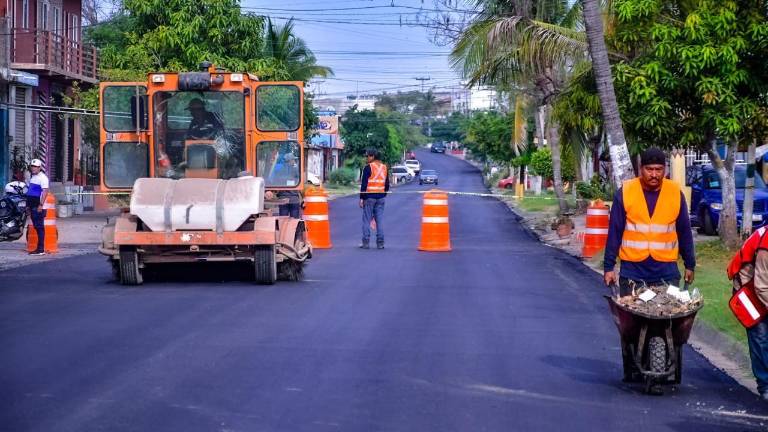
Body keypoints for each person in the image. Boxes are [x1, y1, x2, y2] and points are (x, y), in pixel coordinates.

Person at [603, 148, 696, 388]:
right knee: (630, 323)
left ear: (665, 169)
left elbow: (684, 231)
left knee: (670, 318)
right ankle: (631, 365)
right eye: (649, 169)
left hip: (666, 269)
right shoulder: (626, 192)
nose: (654, 174)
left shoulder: (675, 193)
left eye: (658, 170)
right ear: (640, 169)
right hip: (634, 270)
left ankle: (668, 362)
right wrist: (609, 266)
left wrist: (690, 263)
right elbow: (615, 231)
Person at [727, 227, 768, 401]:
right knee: (760, 336)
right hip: (748, 289)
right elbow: (761, 285)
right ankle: (765, 386)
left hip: (762, 285)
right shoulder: (766, 248)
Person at [359, 149, 389, 249]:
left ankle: (366, 242)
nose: (366, 158)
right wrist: (382, 194)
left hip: (369, 197)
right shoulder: (384, 167)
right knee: (379, 220)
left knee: (366, 220)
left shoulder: (368, 167)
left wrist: (362, 198)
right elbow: (387, 185)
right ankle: (380, 243)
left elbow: (364, 184)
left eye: (367, 156)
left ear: (372, 157)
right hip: (380, 198)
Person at [25, 159, 49, 256]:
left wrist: (41, 205)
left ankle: (40, 249)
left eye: (35, 167)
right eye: (32, 166)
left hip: (38, 206)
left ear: (39, 168)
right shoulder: (33, 177)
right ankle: (39, 249)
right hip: (32, 206)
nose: (33, 168)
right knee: (37, 227)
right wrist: (28, 206)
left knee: (39, 228)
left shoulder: (43, 178)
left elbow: (45, 191)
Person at [267, 153, 302, 218]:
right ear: (290, 161)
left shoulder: (279, 170)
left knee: (282, 221)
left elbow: (274, 182)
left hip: (282, 199)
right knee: (294, 221)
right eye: (293, 160)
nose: (294, 161)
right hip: (294, 199)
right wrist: (303, 199)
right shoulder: (296, 170)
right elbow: (300, 184)